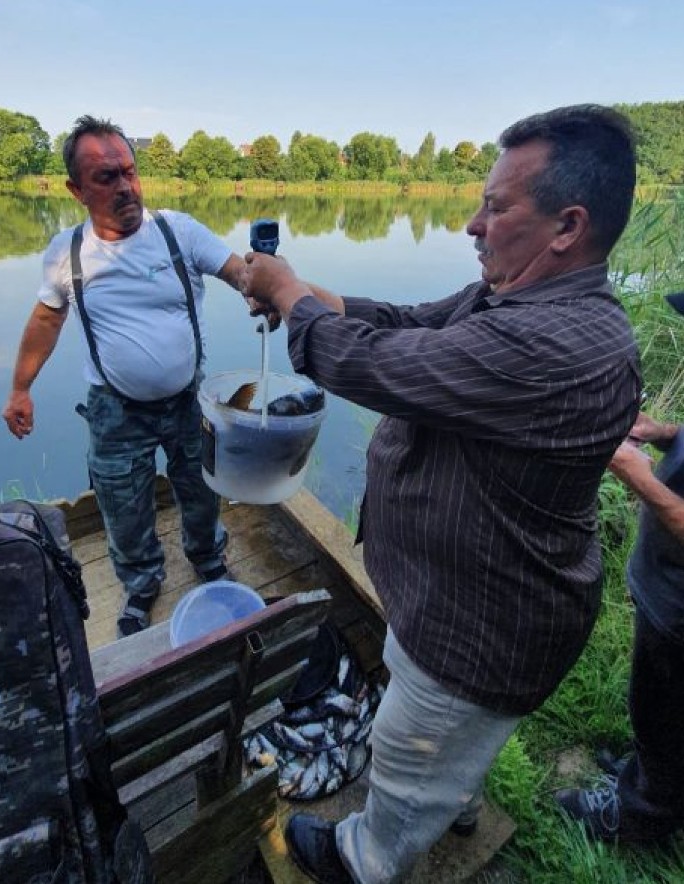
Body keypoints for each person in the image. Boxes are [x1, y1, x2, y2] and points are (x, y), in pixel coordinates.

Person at [240, 104, 641, 883]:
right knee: (438, 737)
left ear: (567, 227)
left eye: (495, 208)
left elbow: (374, 368)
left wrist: (292, 298)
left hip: (483, 624)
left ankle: (368, 858)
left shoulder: (553, 342)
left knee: (406, 751)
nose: (471, 224)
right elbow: (407, 324)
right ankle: (451, 799)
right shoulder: (518, 301)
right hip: (448, 598)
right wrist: (314, 296)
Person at [3, 115, 254, 637]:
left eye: (129, 172)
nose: (124, 187)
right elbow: (46, 321)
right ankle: (142, 584)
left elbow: (239, 271)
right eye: (106, 178)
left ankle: (207, 558)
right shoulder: (66, 253)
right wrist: (21, 388)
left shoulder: (177, 232)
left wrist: (267, 288)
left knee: (203, 486)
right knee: (123, 505)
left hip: (189, 400)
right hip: (114, 411)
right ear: (77, 190)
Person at [556, 294, 684, 844]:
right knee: (658, 713)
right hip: (664, 591)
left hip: (680, 612)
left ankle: (638, 818)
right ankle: (651, 776)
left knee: (664, 711)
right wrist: (664, 433)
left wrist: (641, 478)